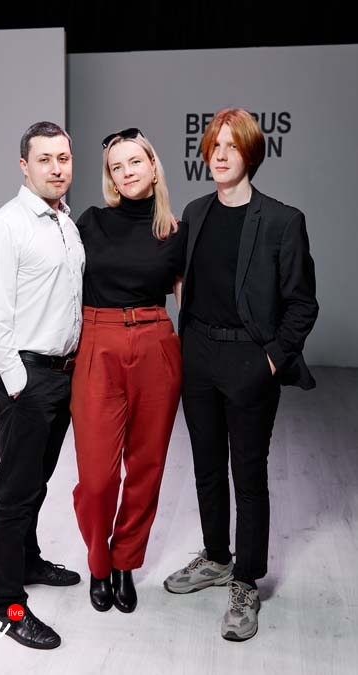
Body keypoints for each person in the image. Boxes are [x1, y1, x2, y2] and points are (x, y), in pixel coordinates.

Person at [163, 108, 319, 641]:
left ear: (250, 154)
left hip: (250, 361)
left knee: (247, 476)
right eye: (215, 146)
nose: (221, 155)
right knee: (206, 467)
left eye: (232, 146)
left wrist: (270, 359)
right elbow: (181, 275)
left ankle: (246, 582)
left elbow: (302, 304)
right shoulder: (196, 211)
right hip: (199, 357)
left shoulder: (281, 220)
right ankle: (215, 557)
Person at [0, 121, 85, 650]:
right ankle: (8, 606)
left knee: (37, 481)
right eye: (44, 159)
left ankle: (29, 560)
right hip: (27, 375)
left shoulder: (66, 222)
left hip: (61, 374)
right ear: (24, 165)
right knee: (15, 493)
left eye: (63, 158)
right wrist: (18, 383)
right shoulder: (5, 227)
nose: (56, 168)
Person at [70, 127, 187, 614]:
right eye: (116, 167)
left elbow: (187, 300)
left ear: (153, 166)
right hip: (98, 343)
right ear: (110, 178)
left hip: (156, 341)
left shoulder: (174, 231)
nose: (126, 172)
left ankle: (125, 562)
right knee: (97, 478)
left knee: (146, 467)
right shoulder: (90, 222)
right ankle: (99, 562)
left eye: (135, 162)